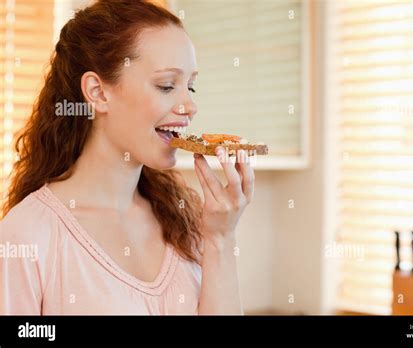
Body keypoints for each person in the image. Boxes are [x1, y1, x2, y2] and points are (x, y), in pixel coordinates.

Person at [0, 0, 254, 315]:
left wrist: (221, 238)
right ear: (98, 92)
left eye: (190, 87)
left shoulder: (183, 224)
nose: (189, 106)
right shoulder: (26, 236)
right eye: (166, 86)